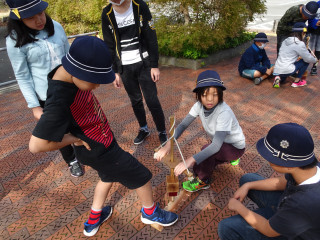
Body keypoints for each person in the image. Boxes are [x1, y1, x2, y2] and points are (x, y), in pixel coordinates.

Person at [28, 36, 178, 237]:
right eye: (94, 81)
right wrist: (75, 139)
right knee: (142, 176)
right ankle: (149, 212)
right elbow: (36, 145)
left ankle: (93, 219)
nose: (97, 87)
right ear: (77, 72)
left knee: (107, 177)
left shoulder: (63, 72)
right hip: (100, 148)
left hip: (95, 145)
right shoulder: (60, 98)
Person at [5, 0, 84, 177]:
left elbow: (69, 56)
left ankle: (84, 154)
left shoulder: (55, 26)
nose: (39, 20)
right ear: (19, 19)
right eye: (31, 18)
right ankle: (71, 160)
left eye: (40, 13)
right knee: (59, 131)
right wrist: (34, 106)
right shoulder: (14, 40)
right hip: (47, 96)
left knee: (79, 123)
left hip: (71, 88)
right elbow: (22, 76)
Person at [218, 123, 320, 240]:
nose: (268, 161)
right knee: (248, 179)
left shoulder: (303, 203)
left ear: (289, 167)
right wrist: (247, 185)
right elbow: (283, 182)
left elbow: (269, 230)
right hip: (288, 209)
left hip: (294, 233)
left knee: (226, 227)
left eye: (270, 159)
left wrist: (239, 208)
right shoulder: (307, 165)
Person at [154, 70, 246, 192]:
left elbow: (215, 146)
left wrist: (189, 161)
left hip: (236, 147)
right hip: (221, 143)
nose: (210, 99)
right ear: (198, 95)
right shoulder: (198, 106)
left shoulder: (224, 112)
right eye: (204, 95)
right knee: (201, 161)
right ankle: (228, 159)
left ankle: (204, 181)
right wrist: (167, 146)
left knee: (206, 152)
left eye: (214, 94)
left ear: (220, 94)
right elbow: (182, 125)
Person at [101, 0, 167, 146]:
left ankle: (162, 130)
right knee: (135, 100)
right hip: (124, 67)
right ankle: (143, 128)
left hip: (144, 64)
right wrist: (115, 72)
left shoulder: (139, 5)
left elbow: (151, 35)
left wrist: (154, 65)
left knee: (152, 100)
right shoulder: (107, 13)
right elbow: (109, 44)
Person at [273, 22, 318, 88]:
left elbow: (289, 54)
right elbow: (307, 58)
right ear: (301, 33)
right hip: (287, 69)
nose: (305, 34)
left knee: (283, 80)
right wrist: (315, 60)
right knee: (306, 61)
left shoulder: (285, 40)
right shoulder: (299, 44)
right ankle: (297, 81)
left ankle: (278, 77)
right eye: (304, 32)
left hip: (277, 69)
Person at [308, 0, 320, 75]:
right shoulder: (316, 5)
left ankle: (314, 67)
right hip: (312, 31)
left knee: (318, 50)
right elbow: (309, 16)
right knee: (308, 49)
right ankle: (303, 66)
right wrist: (316, 22)